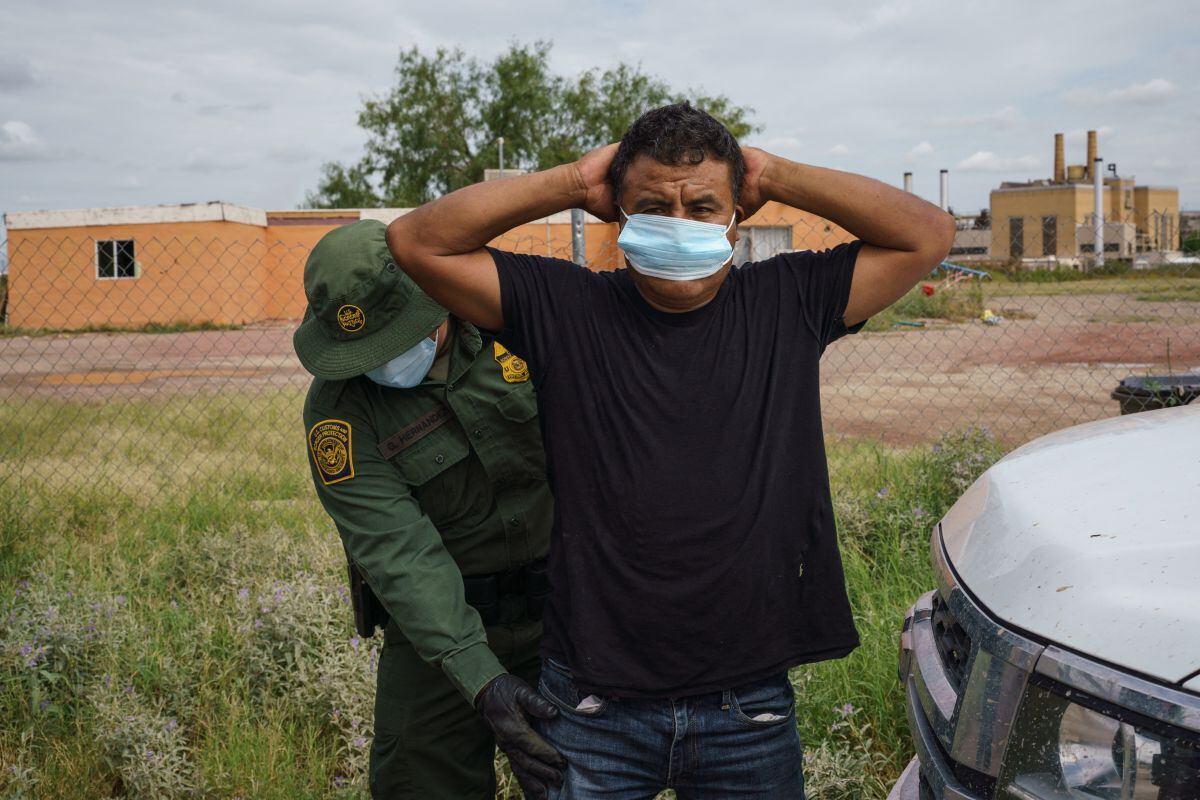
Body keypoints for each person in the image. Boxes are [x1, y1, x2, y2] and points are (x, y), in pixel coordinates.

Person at [386, 103, 955, 798]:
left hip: (747, 706)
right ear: (618, 217)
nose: (678, 225)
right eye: (653, 207)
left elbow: (928, 233)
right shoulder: (564, 308)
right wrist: (569, 180)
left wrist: (774, 172)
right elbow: (418, 242)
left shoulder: (789, 300)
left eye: (703, 206)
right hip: (592, 702)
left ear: (736, 219)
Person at [294, 219, 566, 799]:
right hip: (437, 646)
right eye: (367, 352)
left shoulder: (517, 332)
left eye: (395, 340)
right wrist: (479, 676)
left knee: (586, 783)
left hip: (566, 621)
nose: (387, 362)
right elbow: (396, 549)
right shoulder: (340, 413)